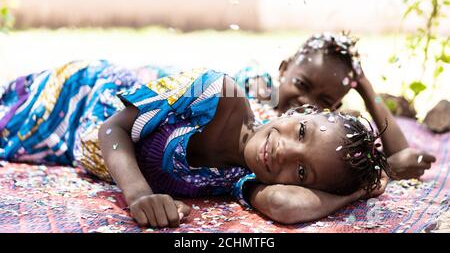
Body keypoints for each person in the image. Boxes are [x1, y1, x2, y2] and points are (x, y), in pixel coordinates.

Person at [1, 61, 391, 228]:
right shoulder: (217, 93)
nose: (285, 152)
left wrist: (357, 191)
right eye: (301, 133)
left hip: (72, 150)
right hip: (81, 98)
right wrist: (138, 194)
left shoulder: (243, 176)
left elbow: (284, 207)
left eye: (302, 172)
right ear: (297, 111)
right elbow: (111, 131)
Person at [234, 32, 436, 180]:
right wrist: (386, 170)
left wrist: (367, 90)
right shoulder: (258, 89)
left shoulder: (320, 137)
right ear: (284, 69)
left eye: (324, 101)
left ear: (334, 108)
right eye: (301, 84)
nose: (307, 102)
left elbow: (402, 155)